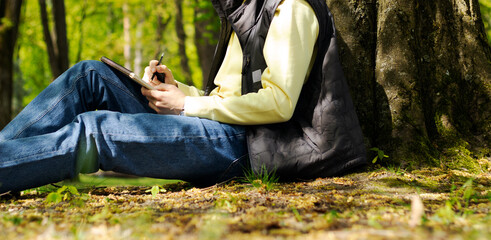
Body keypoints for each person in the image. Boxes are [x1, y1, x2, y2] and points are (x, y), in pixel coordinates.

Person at [0, 0, 366, 194]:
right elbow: (228, 95)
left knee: (96, 131)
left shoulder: (291, 8)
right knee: (89, 76)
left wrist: (188, 105)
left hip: (256, 144)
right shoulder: (244, 14)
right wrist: (179, 92)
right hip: (226, 125)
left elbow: (279, 103)